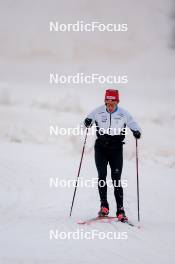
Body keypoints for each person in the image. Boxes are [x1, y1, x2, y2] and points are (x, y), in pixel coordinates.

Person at [84, 89, 141, 221]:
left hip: (116, 148)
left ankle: (120, 210)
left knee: (116, 178)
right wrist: (86, 122)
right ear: (104, 101)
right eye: (107, 102)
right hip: (101, 148)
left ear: (117, 102)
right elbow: (85, 123)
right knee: (102, 176)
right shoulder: (97, 111)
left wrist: (137, 131)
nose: (110, 105)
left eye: (113, 102)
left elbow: (134, 124)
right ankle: (104, 206)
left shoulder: (123, 113)